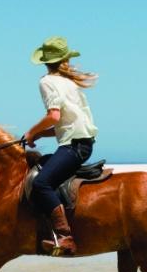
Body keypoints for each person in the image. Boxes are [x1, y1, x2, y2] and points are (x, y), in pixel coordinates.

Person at [21, 36, 99, 256]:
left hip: (73, 147)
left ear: (45, 61)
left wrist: (31, 132)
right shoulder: (69, 83)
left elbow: (54, 116)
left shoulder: (46, 82)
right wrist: (39, 135)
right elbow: (64, 123)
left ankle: (65, 236)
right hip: (82, 143)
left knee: (42, 183)